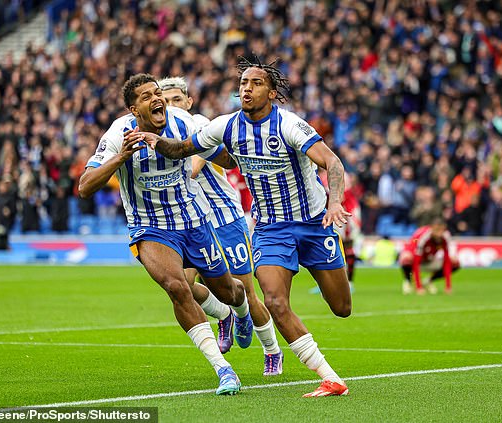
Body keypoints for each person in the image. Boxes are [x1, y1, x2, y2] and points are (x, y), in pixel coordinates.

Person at [131, 57, 352, 397]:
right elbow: (183, 149)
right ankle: (330, 378)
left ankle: (250, 323)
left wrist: (335, 201)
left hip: (313, 223)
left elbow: (332, 162)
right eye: (243, 83)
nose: (247, 89)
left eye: (256, 84)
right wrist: (153, 139)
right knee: (275, 302)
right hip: (269, 228)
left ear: (272, 93)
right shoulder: (226, 126)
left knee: (341, 308)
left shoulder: (290, 125)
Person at [78, 73, 253, 396]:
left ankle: (237, 312)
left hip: (193, 220)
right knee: (177, 287)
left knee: (229, 291)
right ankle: (224, 370)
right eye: (147, 96)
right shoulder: (119, 133)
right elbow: (85, 186)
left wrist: (223, 149)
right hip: (150, 227)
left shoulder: (182, 122)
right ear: (134, 109)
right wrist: (121, 158)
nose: (157, 99)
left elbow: (224, 159)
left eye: (157, 92)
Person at [158, 76, 283, 376]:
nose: (172, 106)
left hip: (224, 217)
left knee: (247, 293)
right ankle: (224, 314)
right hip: (192, 222)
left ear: (188, 102)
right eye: (166, 102)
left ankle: (272, 350)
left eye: (177, 100)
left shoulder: (198, 125)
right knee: (183, 286)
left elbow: (193, 166)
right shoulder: (161, 132)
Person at [399, 217, 460, 295]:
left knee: (455, 263)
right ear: (431, 228)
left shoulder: (445, 236)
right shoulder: (422, 237)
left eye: (442, 230)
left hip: (429, 259)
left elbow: (447, 261)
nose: (439, 233)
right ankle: (409, 281)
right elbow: (416, 262)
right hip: (415, 259)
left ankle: (428, 281)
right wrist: (419, 287)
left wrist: (448, 286)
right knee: (407, 259)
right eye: (437, 230)